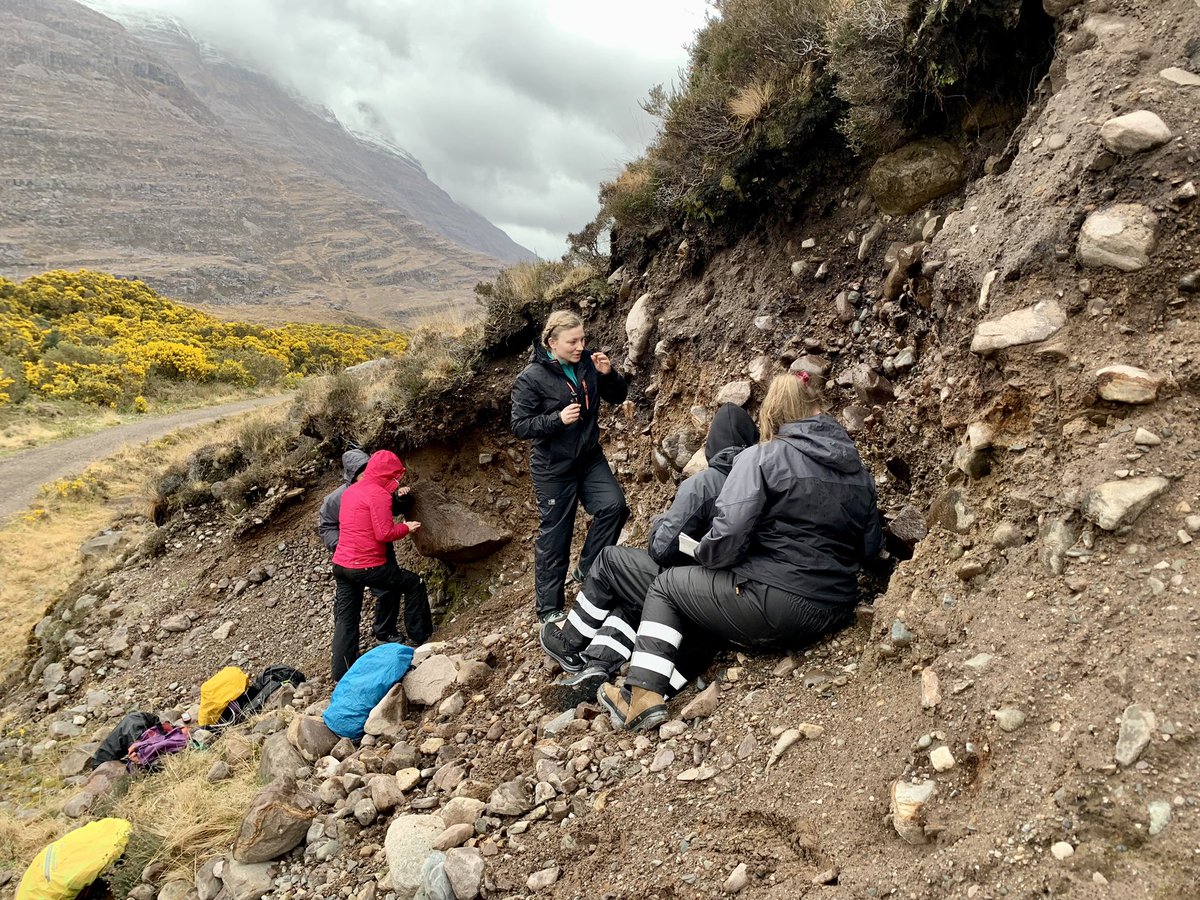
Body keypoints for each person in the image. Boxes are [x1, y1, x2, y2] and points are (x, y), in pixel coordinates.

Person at [599, 373, 883, 731]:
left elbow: (728, 537)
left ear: (771, 416)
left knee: (668, 585)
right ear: (818, 412)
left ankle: (639, 698)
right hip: (835, 607)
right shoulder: (857, 469)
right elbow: (870, 549)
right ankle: (665, 680)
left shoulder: (761, 457)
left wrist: (702, 556)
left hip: (778, 607)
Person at [538, 404, 759, 702]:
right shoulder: (763, 480)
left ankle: (569, 640)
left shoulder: (705, 484)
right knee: (636, 595)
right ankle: (597, 664)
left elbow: (661, 550)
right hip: (737, 602)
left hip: (695, 590)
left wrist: (659, 523)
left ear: (712, 446)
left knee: (610, 562)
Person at [511, 310, 629, 624]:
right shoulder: (531, 378)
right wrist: (556, 419)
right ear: (551, 342)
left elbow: (619, 396)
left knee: (614, 507)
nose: (580, 346)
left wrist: (608, 375)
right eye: (572, 341)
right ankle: (549, 609)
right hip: (553, 467)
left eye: (582, 339)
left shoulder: (589, 362)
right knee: (556, 536)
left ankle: (588, 569)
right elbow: (520, 425)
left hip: (589, 457)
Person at [330, 449, 432, 680]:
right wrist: (407, 527)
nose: (398, 480)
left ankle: (340, 673)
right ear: (388, 475)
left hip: (342, 565)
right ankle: (421, 637)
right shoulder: (379, 495)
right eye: (395, 476)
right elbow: (384, 533)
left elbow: (365, 511)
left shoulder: (351, 491)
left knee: (347, 618)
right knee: (414, 583)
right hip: (368, 565)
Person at [317, 448, 404, 655]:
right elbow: (326, 526)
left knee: (388, 590)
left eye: (368, 468)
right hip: (349, 555)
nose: (366, 473)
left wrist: (401, 498)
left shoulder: (382, 485)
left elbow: (392, 510)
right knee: (347, 609)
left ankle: (385, 631)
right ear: (351, 473)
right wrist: (343, 543)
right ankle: (346, 657)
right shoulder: (335, 499)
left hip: (379, 549)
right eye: (361, 471)